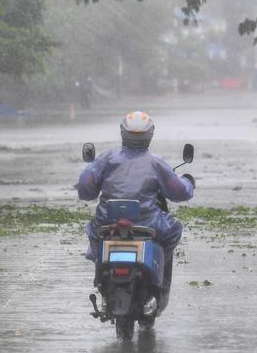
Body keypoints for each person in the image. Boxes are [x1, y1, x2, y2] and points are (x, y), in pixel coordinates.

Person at [76, 111, 195, 308]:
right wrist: (188, 183)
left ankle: (100, 275)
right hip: (149, 223)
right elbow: (179, 192)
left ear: (123, 132)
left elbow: (85, 190)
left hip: (106, 223)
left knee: (93, 232)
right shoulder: (156, 163)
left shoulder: (106, 159)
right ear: (150, 134)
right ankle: (162, 283)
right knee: (175, 229)